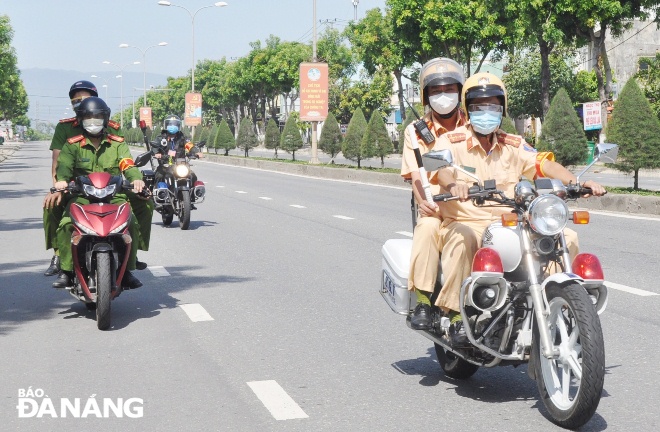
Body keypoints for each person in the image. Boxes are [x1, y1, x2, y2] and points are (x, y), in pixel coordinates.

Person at [409, 72, 607, 344]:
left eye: (492, 105)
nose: (486, 112)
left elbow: (542, 165)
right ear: (468, 108)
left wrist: (577, 182)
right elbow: (442, 170)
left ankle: (559, 304)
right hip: (467, 220)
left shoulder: (512, 143)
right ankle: (455, 314)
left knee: (566, 237)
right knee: (462, 238)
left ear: (502, 108)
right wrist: (454, 184)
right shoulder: (450, 141)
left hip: (509, 222)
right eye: (479, 106)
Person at [43, 81, 153, 277]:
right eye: (77, 101)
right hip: (80, 192)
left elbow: (127, 163)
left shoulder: (115, 138)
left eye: (98, 117)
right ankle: (62, 259)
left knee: (141, 209)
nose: (93, 120)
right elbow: (61, 163)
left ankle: (130, 259)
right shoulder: (71, 141)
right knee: (60, 215)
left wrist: (137, 180)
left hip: (113, 191)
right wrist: (59, 184)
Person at [400, 58, 466, 329]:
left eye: (449, 89)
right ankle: (425, 302)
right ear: (426, 95)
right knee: (427, 228)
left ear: (460, 91)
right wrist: (422, 201)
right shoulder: (416, 132)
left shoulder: (474, 124)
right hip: (437, 205)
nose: (444, 96)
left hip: (472, 204)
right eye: (436, 91)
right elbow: (416, 173)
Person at [152, 115, 204, 201]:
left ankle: (192, 197)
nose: (173, 126)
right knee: (158, 176)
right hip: (165, 165)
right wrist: (156, 153)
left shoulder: (182, 137)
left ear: (179, 126)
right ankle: (159, 197)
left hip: (180, 165)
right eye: (170, 124)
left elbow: (189, 145)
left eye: (175, 124)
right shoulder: (161, 138)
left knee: (192, 176)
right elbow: (155, 148)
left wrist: (196, 152)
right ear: (166, 125)